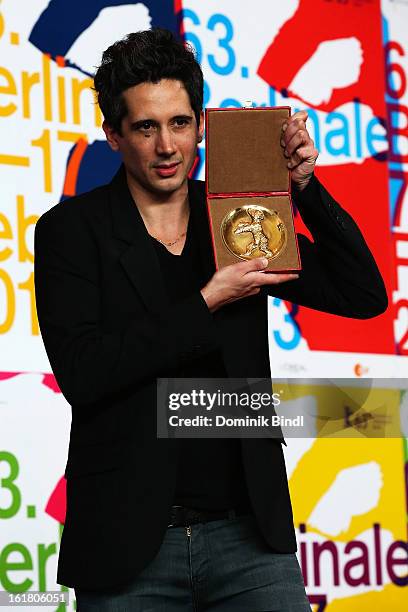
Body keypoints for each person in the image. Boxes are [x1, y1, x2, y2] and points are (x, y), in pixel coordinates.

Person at [34, 28, 387, 611]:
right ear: (114, 135)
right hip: (129, 546)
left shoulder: (236, 215)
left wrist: (302, 186)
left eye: (179, 123)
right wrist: (206, 302)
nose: (167, 146)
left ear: (201, 123)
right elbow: (84, 371)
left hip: (249, 538)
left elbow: (363, 293)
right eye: (146, 127)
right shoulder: (71, 231)